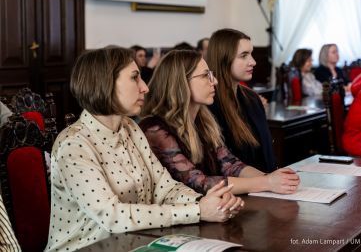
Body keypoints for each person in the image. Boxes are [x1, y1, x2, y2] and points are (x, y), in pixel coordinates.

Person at [45, 47, 244, 252]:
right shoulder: (74, 144)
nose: (145, 88)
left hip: (133, 243)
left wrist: (208, 202)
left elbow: (165, 188)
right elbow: (113, 217)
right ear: (105, 83)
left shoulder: (130, 128)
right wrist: (198, 211)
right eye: (134, 78)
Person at [140, 49, 300, 195]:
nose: (214, 81)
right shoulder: (155, 129)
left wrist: (276, 179)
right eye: (205, 76)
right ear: (181, 83)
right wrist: (266, 182)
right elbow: (197, 183)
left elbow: (230, 165)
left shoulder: (203, 121)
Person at [206, 28, 277, 173]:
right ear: (223, 58)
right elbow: (221, 166)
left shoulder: (252, 98)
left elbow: (266, 155)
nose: (253, 62)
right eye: (244, 56)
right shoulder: (210, 104)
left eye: (251, 54)